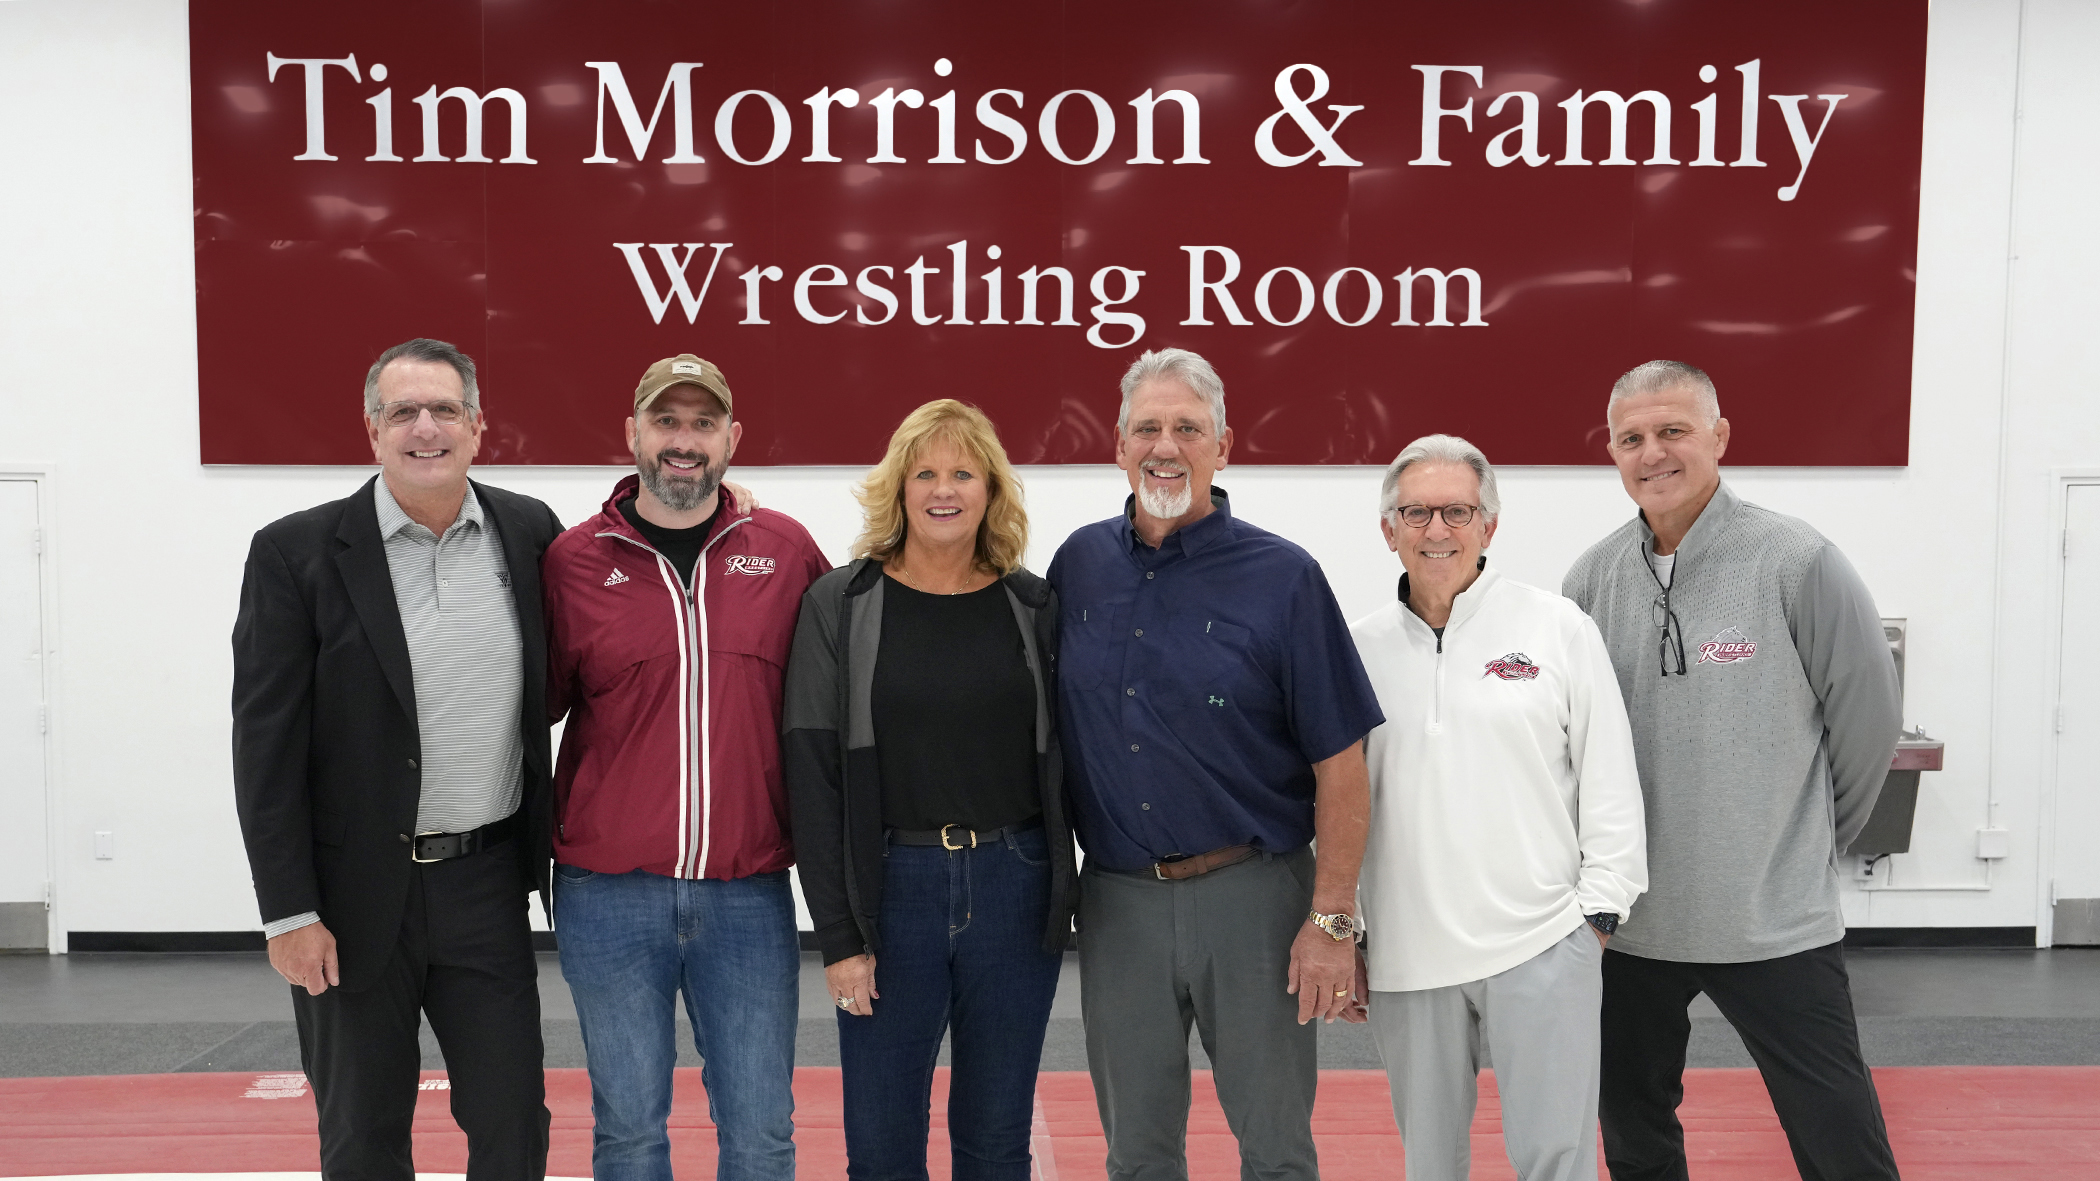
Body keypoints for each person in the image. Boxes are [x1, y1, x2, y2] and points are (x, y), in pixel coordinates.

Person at [1047, 347, 1384, 1181]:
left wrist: (1333, 919)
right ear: (1118, 447)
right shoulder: (1075, 567)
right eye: (1148, 428)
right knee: (1137, 1152)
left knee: (1275, 1149)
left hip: (1258, 901)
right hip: (1119, 902)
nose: (1167, 445)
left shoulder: (1286, 577)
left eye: (1187, 427)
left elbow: (1343, 762)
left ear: (1224, 446)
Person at [231, 337, 563, 1180]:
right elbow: (264, 747)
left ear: (479, 426)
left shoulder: (529, 533)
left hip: (486, 883)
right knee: (362, 1132)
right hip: (348, 900)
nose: (426, 427)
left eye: (445, 409)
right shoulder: (294, 553)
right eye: (403, 411)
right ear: (371, 428)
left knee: (513, 1120)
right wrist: (288, 911)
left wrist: (725, 504)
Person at [1563, 360, 1904, 1181]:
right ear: (1611, 450)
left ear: (1719, 436)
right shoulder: (1588, 581)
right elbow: (1570, 747)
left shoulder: (1797, 561)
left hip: (1774, 918)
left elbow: (1868, 726)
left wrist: (1801, 841)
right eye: (1632, 437)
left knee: (1841, 1139)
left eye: (1674, 430)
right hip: (1634, 924)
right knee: (1634, 1130)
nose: (1654, 452)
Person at [541, 353, 829, 1181]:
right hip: (606, 893)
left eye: (703, 423)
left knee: (761, 1130)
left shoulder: (784, 551)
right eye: (667, 420)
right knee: (628, 1130)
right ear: (632, 432)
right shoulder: (572, 561)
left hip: (747, 892)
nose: (684, 440)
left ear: (732, 438)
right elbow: (539, 706)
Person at [784, 399, 1078, 1181]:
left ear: (990, 490)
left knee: (995, 1141)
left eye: (963, 472)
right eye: (925, 473)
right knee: (881, 1148)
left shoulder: (1034, 606)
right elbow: (811, 777)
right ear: (899, 488)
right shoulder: (840, 606)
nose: (943, 489)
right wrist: (840, 936)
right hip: (893, 891)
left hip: (1015, 885)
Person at [1350, 434, 1647, 1181]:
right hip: (1408, 955)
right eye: (1416, 512)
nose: (1438, 530)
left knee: (1558, 1160)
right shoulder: (1354, 649)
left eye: (1457, 510)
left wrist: (1598, 914)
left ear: (1490, 523)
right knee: (1431, 1166)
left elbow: (1611, 775)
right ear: (1389, 530)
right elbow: (1340, 801)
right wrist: (1349, 927)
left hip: (1544, 942)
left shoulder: (1557, 628)